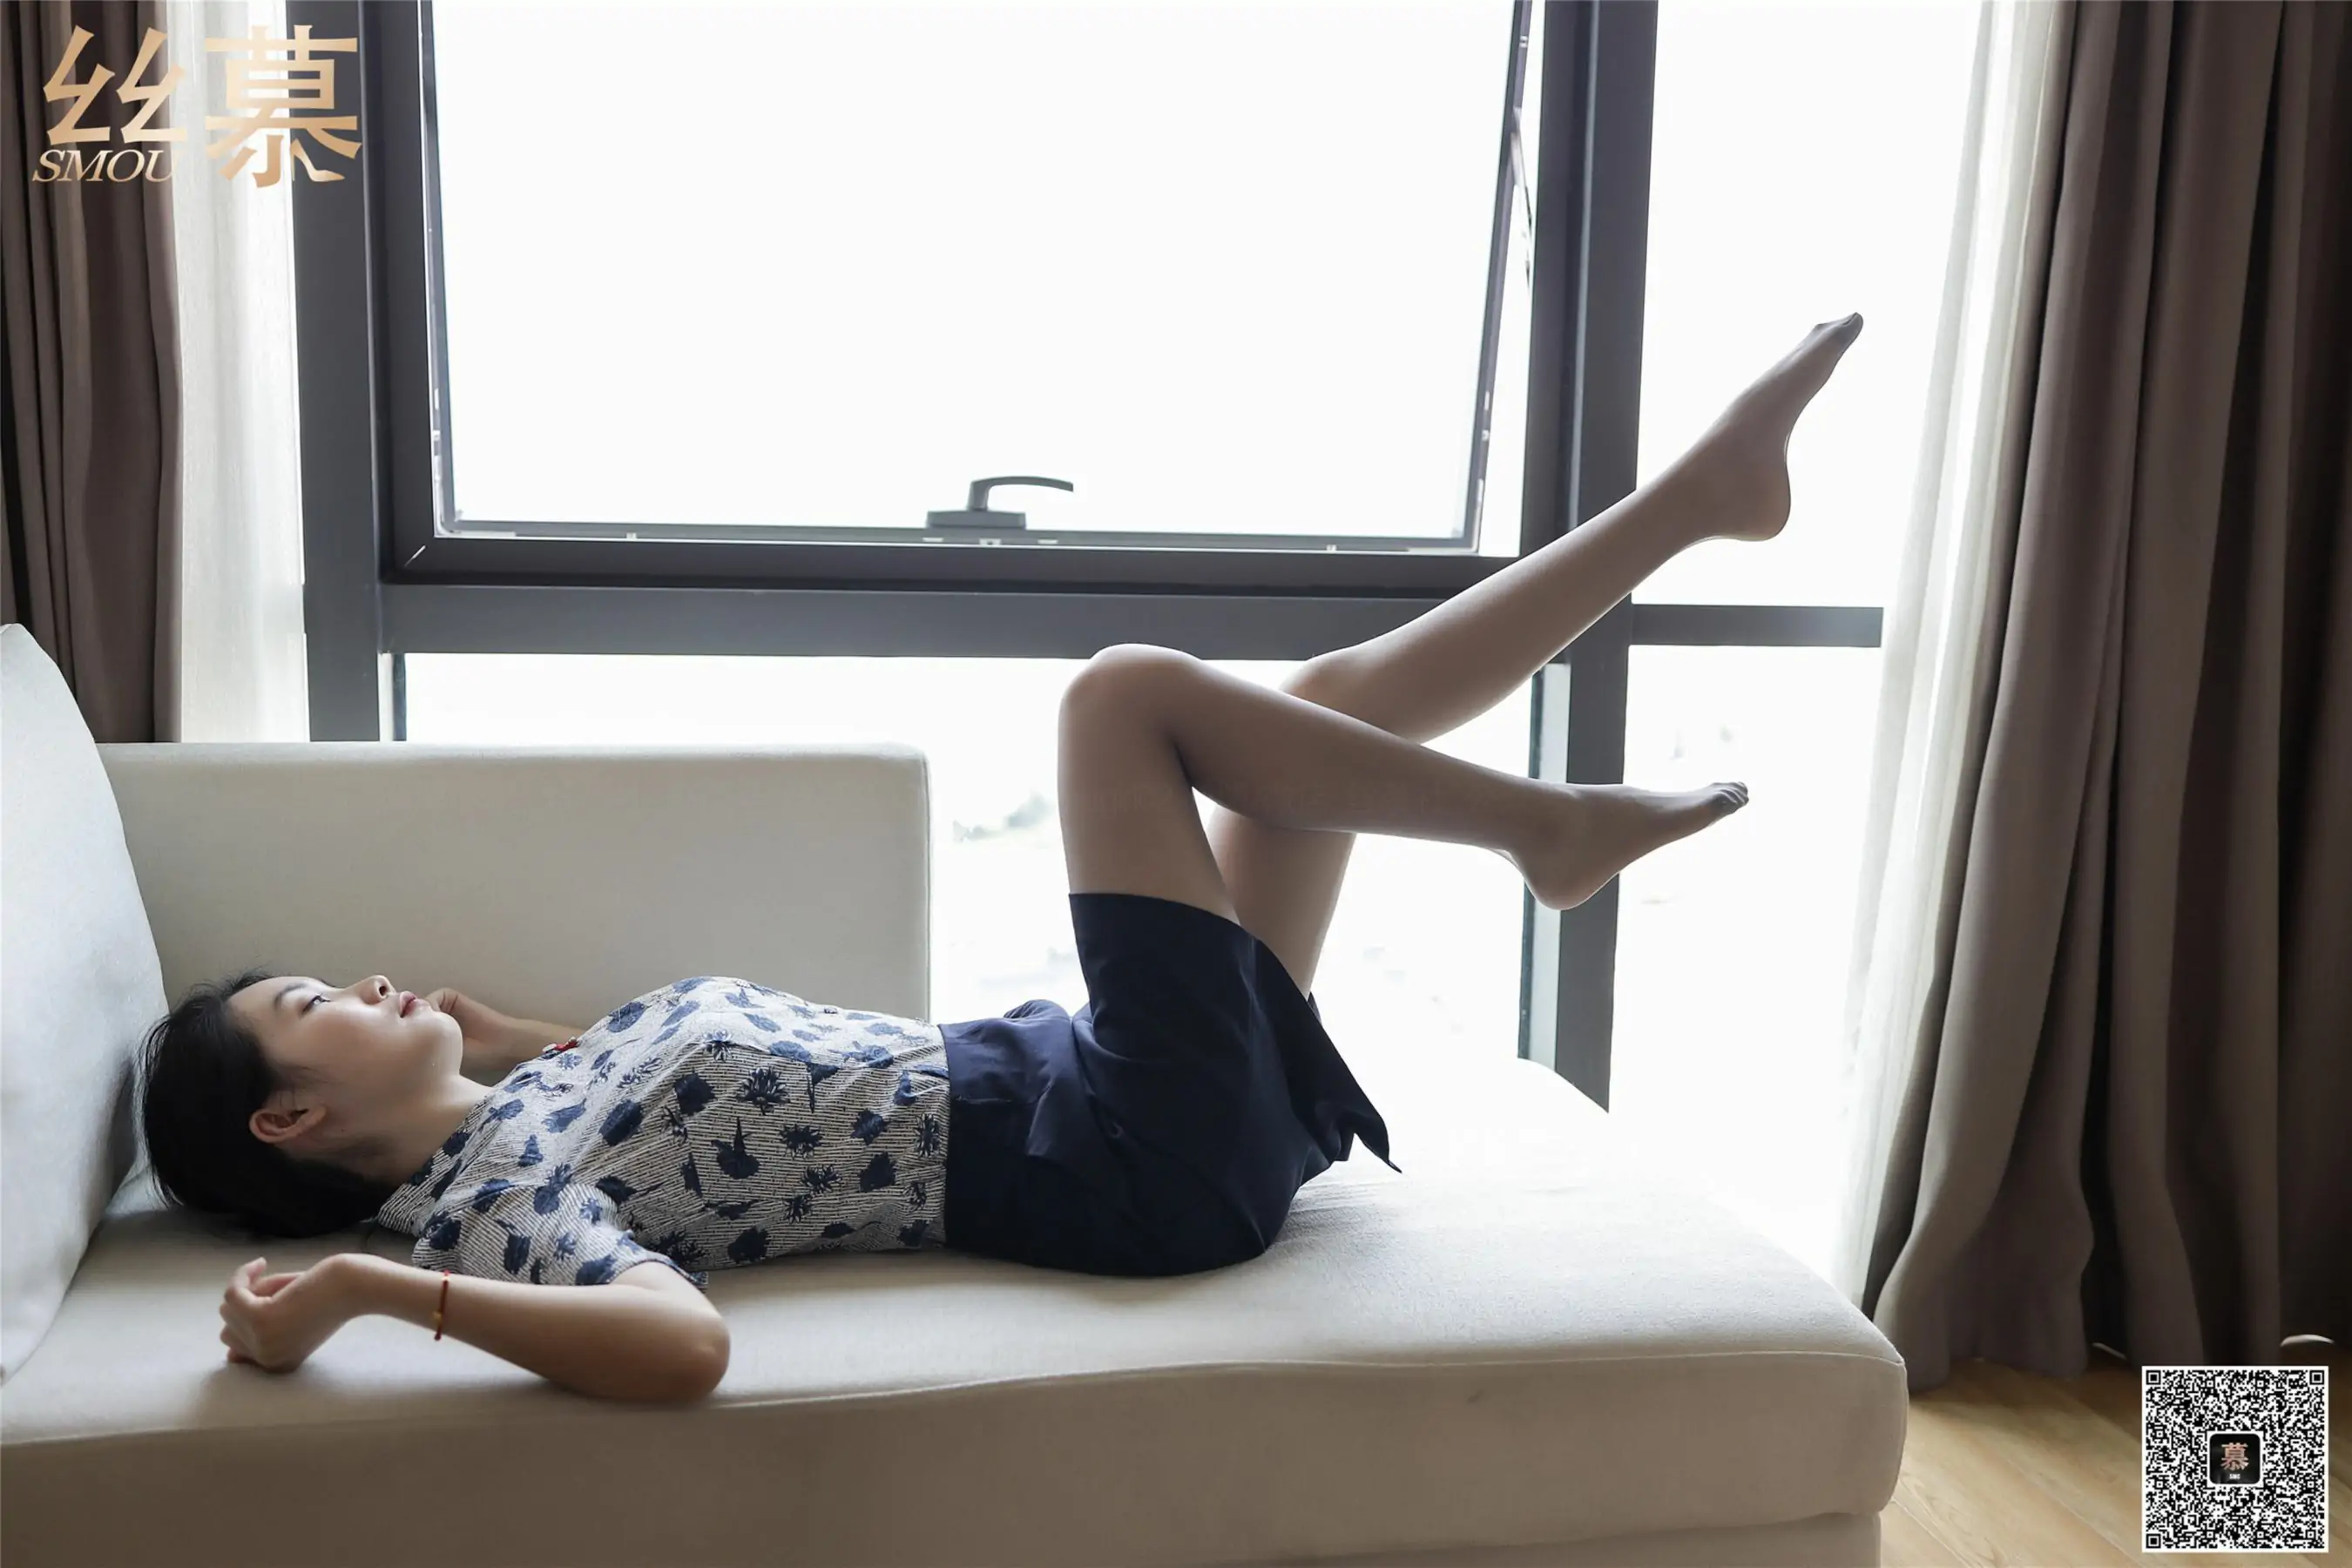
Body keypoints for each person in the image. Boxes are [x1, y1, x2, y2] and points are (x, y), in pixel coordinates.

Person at [137, 315, 1863, 1404]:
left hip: (1109, 1101)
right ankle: (1545, 829)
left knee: (1326, 712)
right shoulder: (497, 1207)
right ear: (288, 1119)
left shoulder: (532, 1100)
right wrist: (369, 1292)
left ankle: (1691, 505)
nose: (364, 980)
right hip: (1125, 1148)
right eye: (314, 1002)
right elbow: (683, 1347)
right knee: (1123, 698)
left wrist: (514, 1036)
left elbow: (686, 1115)